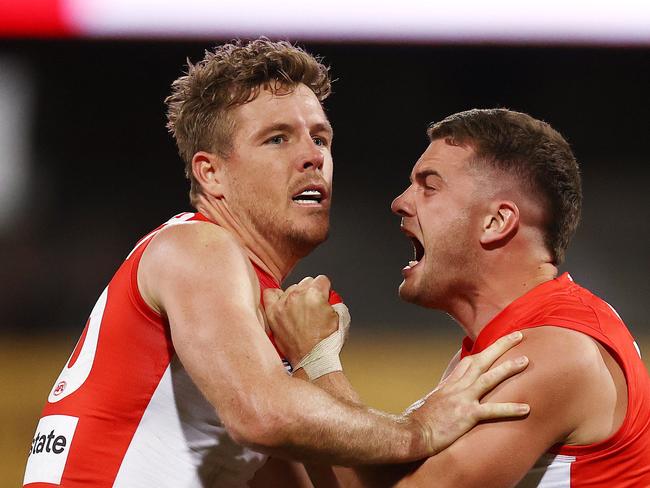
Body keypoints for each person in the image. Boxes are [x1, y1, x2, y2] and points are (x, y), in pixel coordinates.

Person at [23, 42, 531, 488]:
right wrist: (419, 428)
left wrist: (314, 362)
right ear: (212, 174)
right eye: (278, 138)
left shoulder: (248, 314)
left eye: (321, 138)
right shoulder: (199, 248)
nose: (313, 156)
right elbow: (261, 415)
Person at [265, 108, 650, 487]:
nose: (400, 202)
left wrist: (313, 356)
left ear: (496, 222)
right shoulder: (513, 342)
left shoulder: (552, 351)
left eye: (429, 186)